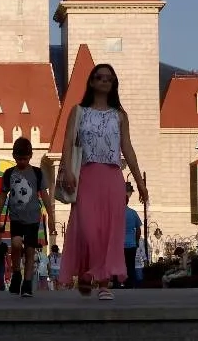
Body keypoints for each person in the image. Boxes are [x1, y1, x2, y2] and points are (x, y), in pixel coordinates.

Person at [58, 64, 148, 301]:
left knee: (109, 232)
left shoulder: (119, 115)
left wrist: (139, 182)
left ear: (114, 83)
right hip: (86, 175)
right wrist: (67, 171)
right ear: (91, 81)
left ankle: (103, 282)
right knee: (88, 230)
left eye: (109, 78)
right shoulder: (79, 111)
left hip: (112, 177)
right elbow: (67, 143)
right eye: (100, 77)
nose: (105, 81)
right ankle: (86, 271)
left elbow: (127, 148)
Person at [0, 137, 57, 297]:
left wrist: (51, 217)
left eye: (25, 159)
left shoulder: (37, 173)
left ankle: (27, 282)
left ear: (30, 156)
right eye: (19, 159)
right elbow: (2, 196)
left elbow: (45, 195)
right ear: (14, 156)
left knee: (30, 250)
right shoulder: (9, 174)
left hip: (33, 218)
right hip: (16, 217)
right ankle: (17, 272)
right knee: (16, 244)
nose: (22, 162)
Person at [122, 182, 143, 288]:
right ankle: (130, 284)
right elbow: (138, 230)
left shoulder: (115, 213)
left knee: (119, 264)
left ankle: (117, 283)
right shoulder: (133, 213)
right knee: (130, 265)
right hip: (131, 244)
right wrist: (136, 241)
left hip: (119, 245)